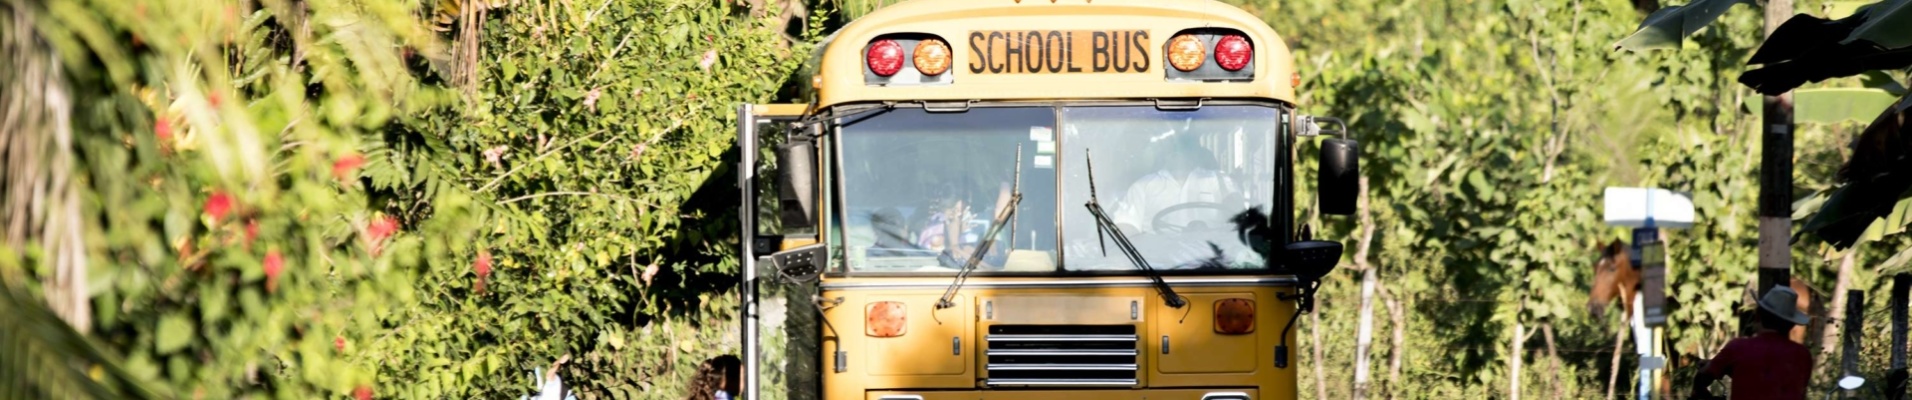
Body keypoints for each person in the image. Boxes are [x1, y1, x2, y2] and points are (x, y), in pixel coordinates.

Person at [1689, 285, 1812, 400]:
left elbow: (1704, 376)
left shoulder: (1738, 348)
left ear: (1758, 315)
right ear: (1791, 325)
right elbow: (1776, 382)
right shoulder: (1803, 356)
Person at [1110, 128, 1235, 234]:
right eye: (1174, 150)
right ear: (1165, 154)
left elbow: (1239, 218)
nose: (1179, 155)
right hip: (1154, 259)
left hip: (1213, 258)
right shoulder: (1142, 186)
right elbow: (1126, 226)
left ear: (1196, 153)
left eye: (1185, 149)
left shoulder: (1220, 181)